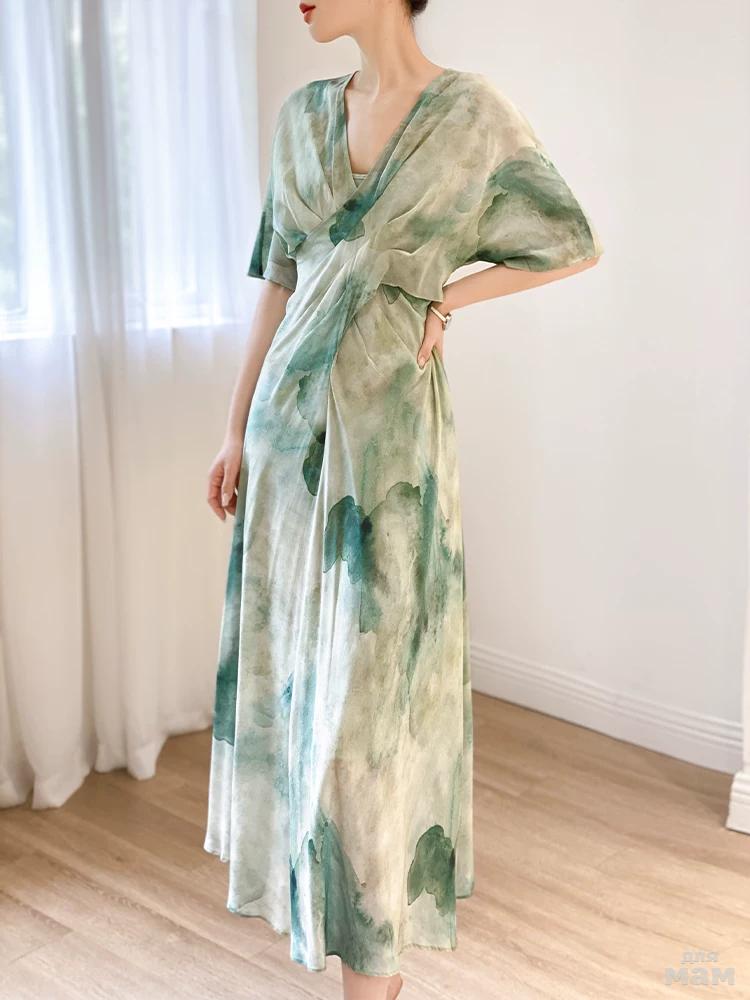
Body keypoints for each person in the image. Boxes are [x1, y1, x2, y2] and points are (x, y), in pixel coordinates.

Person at [203, 1, 603, 997]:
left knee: (373, 713)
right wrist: (233, 426)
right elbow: (278, 280)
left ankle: (374, 961)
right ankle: (333, 928)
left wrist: (445, 298)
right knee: (305, 695)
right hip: (287, 442)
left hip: (391, 452)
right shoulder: (303, 115)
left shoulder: (471, 115)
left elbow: (569, 240)